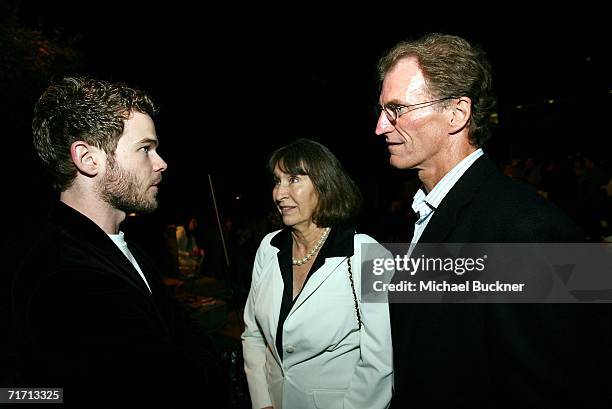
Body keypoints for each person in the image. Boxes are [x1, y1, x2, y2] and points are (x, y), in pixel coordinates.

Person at [375, 34, 612, 408]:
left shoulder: (525, 228)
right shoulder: (427, 212)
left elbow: (558, 388)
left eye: (397, 109)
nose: (381, 127)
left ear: (457, 113)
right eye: (383, 111)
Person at [10, 76, 227, 405]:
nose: (161, 162)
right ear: (88, 159)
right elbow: (180, 387)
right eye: (145, 148)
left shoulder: (123, 249)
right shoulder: (66, 275)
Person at [242, 139, 393, 409]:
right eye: (277, 181)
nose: (279, 193)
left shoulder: (367, 254)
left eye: (294, 179)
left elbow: (379, 363)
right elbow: (253, 334)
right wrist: (262, 400)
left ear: (324, 185)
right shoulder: (269, 247)